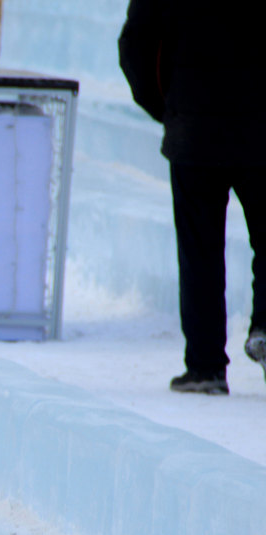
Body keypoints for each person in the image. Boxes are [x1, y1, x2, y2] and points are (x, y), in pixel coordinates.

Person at [119, 0, 266, 394]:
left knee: (199, 249)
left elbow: (135, 44)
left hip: (194, 125)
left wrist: (167, 107)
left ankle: (205, 367)